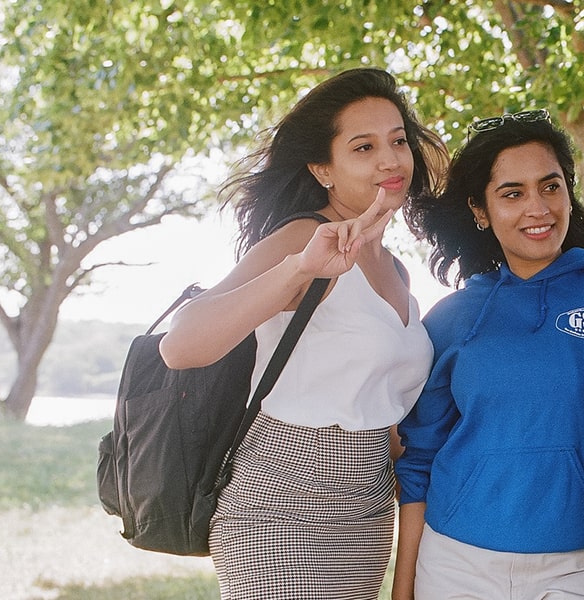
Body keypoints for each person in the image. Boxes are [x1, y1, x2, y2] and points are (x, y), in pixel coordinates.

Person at [157, 67, 447, 599]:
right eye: (363, 147)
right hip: (285, 496)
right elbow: (181, 344)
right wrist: (300, 268)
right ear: (323, 168)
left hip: (368, 499)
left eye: (398, 140)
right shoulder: (304, 237)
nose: (390, 159)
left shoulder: (397, 272)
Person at [394, 110, 584, 599]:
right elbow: (418, 461)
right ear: (481, 211)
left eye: (550, 186)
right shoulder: (452, 318)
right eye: (512, 193)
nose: (536, 208)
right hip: (457, 562)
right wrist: (404, 586)